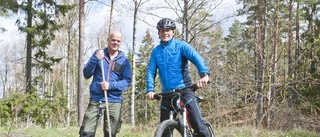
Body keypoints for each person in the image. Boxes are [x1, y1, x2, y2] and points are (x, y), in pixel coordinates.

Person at [145, 18, 211, 137]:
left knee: (198, 124)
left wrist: (204, 75)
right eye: (162, 30)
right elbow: (150, 71)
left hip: (185, 91)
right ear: (159, 33)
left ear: (173, 32)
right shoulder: (156, 51)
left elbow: (197, 58)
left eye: (168, 30)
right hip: (167, 94)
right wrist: (150, 89)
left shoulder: (181, 46)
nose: (165, 33)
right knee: (165, 132)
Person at [80, 30, 132, 137]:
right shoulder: (98, 55)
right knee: (86, 132)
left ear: (120, 43)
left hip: (114, 100)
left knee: (111, 133)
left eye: (118, 41)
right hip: (97, 98)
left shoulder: (124, 61)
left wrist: (110, 85)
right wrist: (95, 58)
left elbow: (126, 82)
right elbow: (86, 74)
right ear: (108, 40)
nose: (115, 43)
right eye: (113, 40)